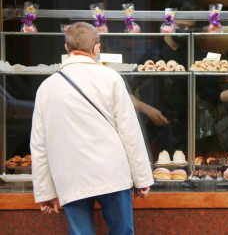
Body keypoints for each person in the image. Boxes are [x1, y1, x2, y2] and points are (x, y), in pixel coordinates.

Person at [30, 22, 153, 235]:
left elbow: (39, 145)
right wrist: (141, 178)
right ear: (97, 48)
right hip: (112, 172)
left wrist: (45, 192)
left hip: (71, 175)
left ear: (67, 48)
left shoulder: (46, 88)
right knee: (122, 232)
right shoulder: (111, 79)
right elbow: (130, 132)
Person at [127, 0, 228, 156]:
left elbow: (214, 95)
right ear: (169, 20)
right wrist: (147, 110)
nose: (186, 32)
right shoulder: (149, 53)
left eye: (190, 27)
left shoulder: (196, 54)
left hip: (189, 132)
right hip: (151, 130)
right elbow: (124, 91)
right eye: (181, 26)